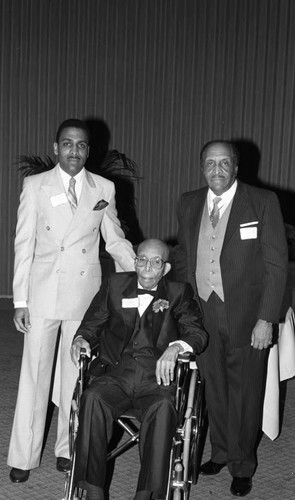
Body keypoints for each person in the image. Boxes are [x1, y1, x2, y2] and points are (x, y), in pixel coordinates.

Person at [8, 118, 136, 484]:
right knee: (34, 375)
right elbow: (23, 246)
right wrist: (20, 300)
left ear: (88, 150)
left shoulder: (104, 187)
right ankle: (23, 454)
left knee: (75, 376)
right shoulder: (35, 186)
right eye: (67, 144)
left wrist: (143, 270)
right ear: (55, 148)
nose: (74, 151)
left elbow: (114, 239)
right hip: (43, 294)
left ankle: (68, 449)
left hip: (84, 297)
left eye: (81, 145)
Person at [173, 140, 288, 497]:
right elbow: (182, 257)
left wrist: (266, 318)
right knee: (215, 388)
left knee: (246, 392)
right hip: (203, 312)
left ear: (236, 167)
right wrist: (176, 302)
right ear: (202, 166)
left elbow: (276, 265)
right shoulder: (189, 202)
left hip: (246, 315)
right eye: (211, 163)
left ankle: (242, 463)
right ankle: (220, 452)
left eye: (225, 163)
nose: (217, 170)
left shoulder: (262, 201)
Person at [70, 238, 208, 500]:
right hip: (116, 374)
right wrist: (81, 339)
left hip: (157, 378)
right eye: (142, 259)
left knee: (163, 407)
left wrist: (176, 347)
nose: (147, 267)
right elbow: (92, 324)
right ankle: (93, 490)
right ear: (134, 261)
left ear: (165, 268)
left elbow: (197, 333)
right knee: (91, 398)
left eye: (156, 262)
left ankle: (147, 494)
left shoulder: (179, 292)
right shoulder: (115, 285)